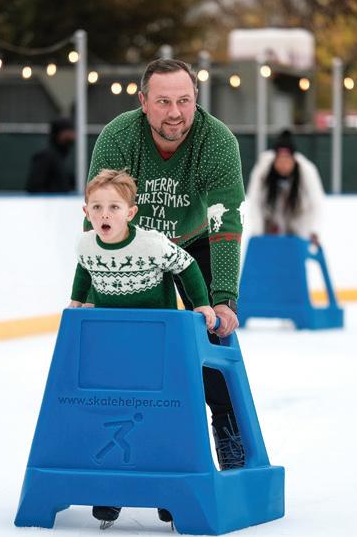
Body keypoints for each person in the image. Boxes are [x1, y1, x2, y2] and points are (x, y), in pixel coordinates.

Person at [87, 59, 246, 476]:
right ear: (143, 102)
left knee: (212, 338)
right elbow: (99, 217)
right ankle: (119, 449)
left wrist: (224, 298)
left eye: (184, 101)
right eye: (162, 102)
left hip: (196, 241)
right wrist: (90, 293)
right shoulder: (119, 137)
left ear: (196, 99)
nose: (175, 112)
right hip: (136, 246)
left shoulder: (217, 141)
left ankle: (228, 430)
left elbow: (226, 221)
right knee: (130, 349)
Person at [69, 168, 216, 529]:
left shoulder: (151, 244)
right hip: (112, 345)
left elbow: (187, 265)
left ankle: (167, 491)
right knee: (113, 410)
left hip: (157, 341)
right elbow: (85, 269)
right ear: (86, 212)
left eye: (114, 207)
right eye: (97, 207)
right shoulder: (86, 244)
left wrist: (201, 303)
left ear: (130, 212)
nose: (105, 214)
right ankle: (111, 490)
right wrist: (78, 300)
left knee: (160, 413)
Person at [246, 129, 325, 245]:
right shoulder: (262, 171)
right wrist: (258, 231)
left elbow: (317, 202)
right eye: (280, 159)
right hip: (270, 225)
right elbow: (255, 201)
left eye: (287, 159)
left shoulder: (307, 171)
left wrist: (314, 230)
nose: (283, 164)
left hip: (298, 226)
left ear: (294, 159)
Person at [25, 117, 76, 193]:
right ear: (59, 134)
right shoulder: (45, 157)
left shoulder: (60, 158)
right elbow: (34, 188)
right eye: (68, 133)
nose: (73, 136)